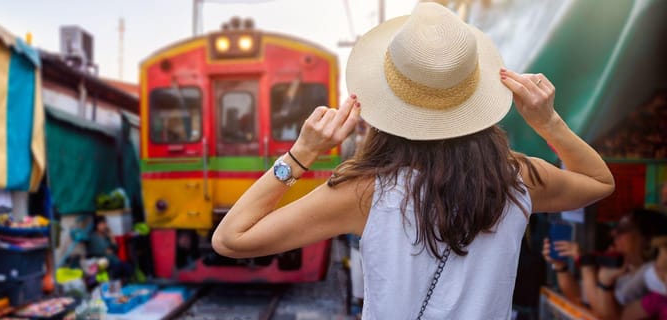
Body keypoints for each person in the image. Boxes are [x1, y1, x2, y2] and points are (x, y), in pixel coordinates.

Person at [211, 3, 614, 319]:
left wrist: (300, 156)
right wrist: (548, 122)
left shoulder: (365, 192)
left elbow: (231, 239)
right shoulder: (516, 177)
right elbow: (599, 182)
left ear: (385, 102)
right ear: (475, 94)